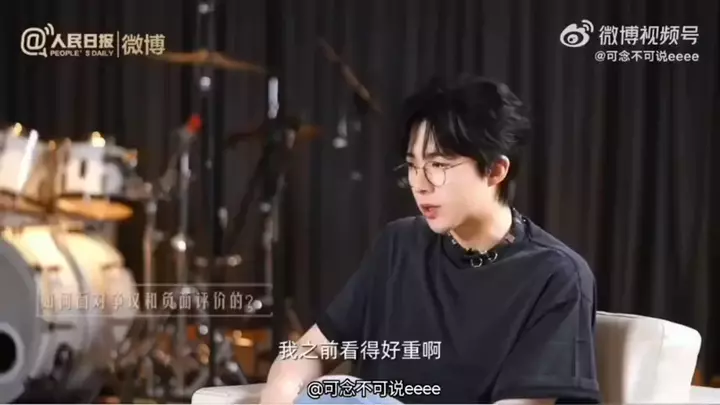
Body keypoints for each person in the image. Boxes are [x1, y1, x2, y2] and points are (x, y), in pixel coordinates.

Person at [260, 76, 600, 404]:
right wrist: (285, 391)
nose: (419, 184)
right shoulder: (398, 245)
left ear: (496, 170)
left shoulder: (555, 276)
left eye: (438, 165)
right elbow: (307, 352)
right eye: (412, 165)